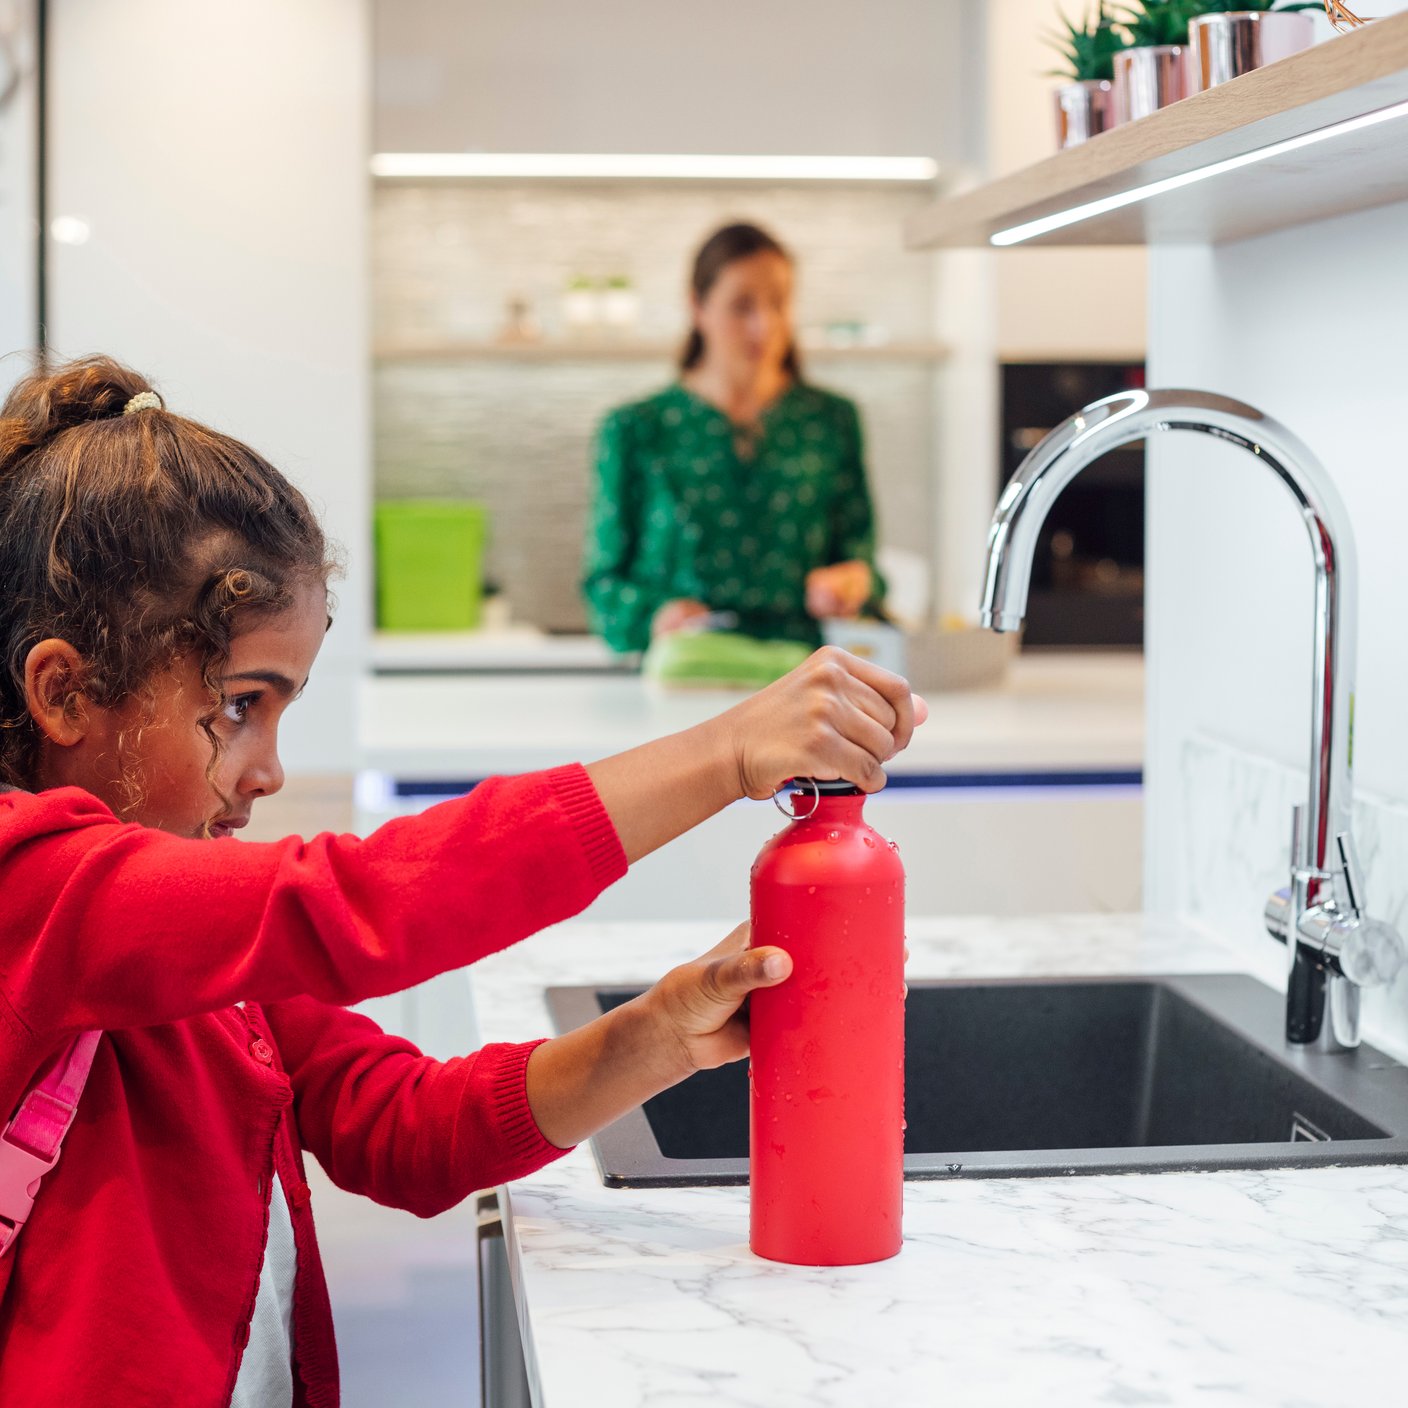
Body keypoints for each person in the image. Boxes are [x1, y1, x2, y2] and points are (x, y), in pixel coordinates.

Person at [0, 356, 923, 1404]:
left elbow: (399, 1125)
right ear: (66, 690)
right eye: (238, 707)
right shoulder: (26, 894)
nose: (267, 770)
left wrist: (657, 1032)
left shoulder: (196, 939)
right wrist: (720, 753)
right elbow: (354, 905)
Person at [582, 221, 885, 655]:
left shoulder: (831, 421)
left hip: (804, 679)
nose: (764, 326)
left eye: (779, 304)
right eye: (741, 306)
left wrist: (851, 584)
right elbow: (603, 585)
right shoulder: (635, 428)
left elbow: (865, 565)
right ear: (697, 307)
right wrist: (656, 616)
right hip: (683, 674)